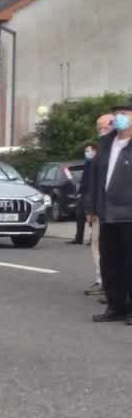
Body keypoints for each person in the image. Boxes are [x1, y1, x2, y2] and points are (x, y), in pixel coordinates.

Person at [87, 104, 132, 324]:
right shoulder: (106, 144)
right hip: (108, 213)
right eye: (116, 114)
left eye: (124, 114)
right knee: (110, 262)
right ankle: (116, 306)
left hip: (129, 213)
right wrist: (93, 207)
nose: (118, 118)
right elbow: (96, 178)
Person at [86, 116, 114, 298]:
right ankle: (106, 283)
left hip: (112, 210)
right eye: (99, 128)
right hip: (103, 208)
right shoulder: (105, 149)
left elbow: (98, 183)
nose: (100, 131)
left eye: (102, 127)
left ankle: (105, 282)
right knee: (101, 245)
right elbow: (94, 183)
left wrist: (93, 209)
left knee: (105, 247)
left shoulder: (109, 149)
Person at [72, 144, 96, 246]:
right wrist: (79, 192)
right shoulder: (87, 163)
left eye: (88, 151)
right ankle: (78, 238)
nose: (86, 153)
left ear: (95, 151)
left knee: (90, 215)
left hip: (91, 192)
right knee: (79, 214)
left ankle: (93, 238)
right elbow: (84, 179)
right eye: (85, 151)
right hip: (84, 192)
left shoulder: (96, 163)